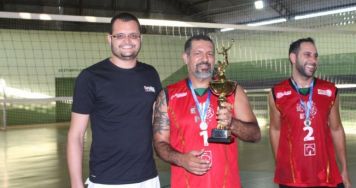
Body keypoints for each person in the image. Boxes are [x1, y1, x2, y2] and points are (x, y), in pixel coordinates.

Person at [67, 13, 162, 188]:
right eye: (120, 35)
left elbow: (157, 121)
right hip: (107, 180)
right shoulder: (90, 77)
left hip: (148, 177)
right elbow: (76, 135)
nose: (127, 40)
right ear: (109, 39)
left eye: (133, 35)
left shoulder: (150, 73)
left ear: (140, 38)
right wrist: (76, 183)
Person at [153, 34, 261, 188]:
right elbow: (159, 143)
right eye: (198, 53)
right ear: (186, 57)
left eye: (210, 54)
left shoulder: (233, 90)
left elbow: (255, 135)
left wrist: (232, 123)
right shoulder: (168, 95)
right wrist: (181, 159)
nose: (205, 58)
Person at [269, 37, 352, 188]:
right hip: (293, 178)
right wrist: (280, 165)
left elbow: (336, 129)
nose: (313, 60)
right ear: (293, 58)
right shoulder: (277, 93)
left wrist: (344, 169)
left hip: (327, 176)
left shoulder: (329, 90)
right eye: (307, 55)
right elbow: (275, 129)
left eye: (315, 56)